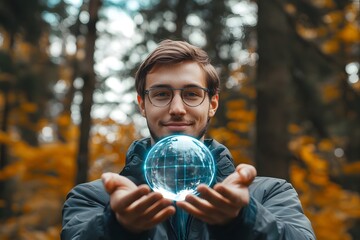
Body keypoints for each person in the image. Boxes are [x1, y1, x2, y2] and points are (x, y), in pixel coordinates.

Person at [61, 39, 315, 240]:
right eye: (161, 94)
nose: (177, 108)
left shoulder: (267, 194)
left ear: (212, 103)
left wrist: (243, 219)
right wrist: (117, 228)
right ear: (142, 104)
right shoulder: (95, 198)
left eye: (192, 94)